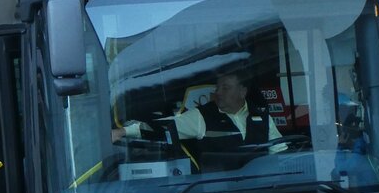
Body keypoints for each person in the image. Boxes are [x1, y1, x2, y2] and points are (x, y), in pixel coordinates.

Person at [118, 69, 282, 171]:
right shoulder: (202, 116)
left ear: (242, 91)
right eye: (217, 87)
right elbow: (164, 127)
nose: (218, 92)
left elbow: (279, 152)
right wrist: (123, 131)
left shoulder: (261, 115)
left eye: (225, 88)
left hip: (261, 191)